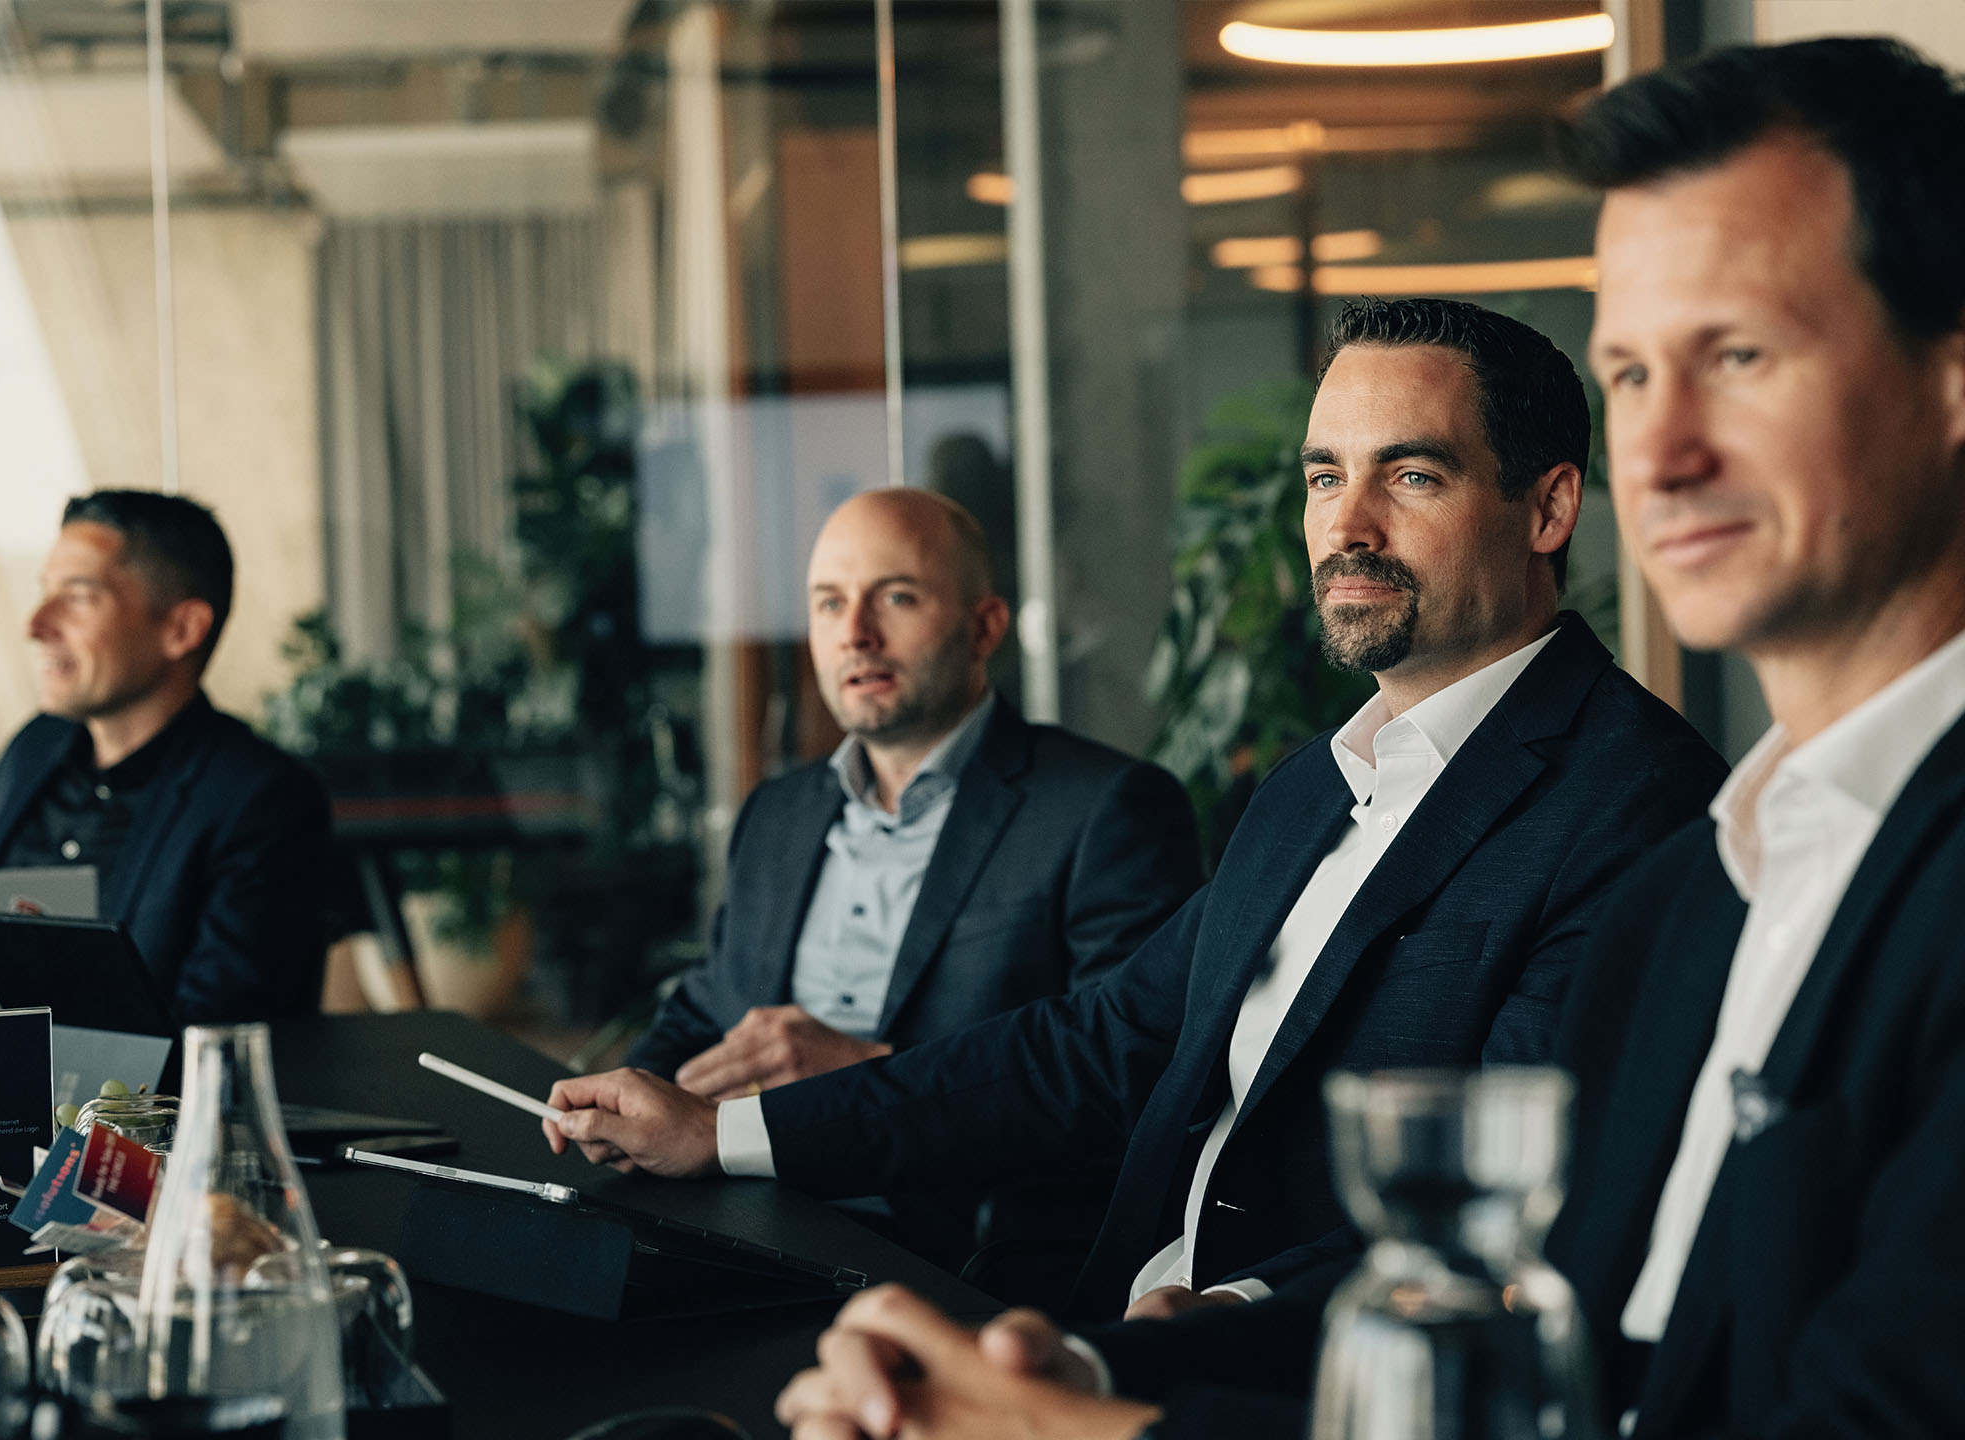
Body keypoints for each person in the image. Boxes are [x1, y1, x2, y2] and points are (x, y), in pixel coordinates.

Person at [775, 36, 1965, 1440]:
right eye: (1636, 375)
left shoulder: (1664, 827)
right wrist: (1075, 1377)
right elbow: (1560, 1350)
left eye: (1741, 354)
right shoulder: (1709, 892)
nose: (1667, 449)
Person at [547, 297, 1727, 1329]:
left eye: (1409, 474)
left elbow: (1520, 1194)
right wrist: (726, 1135)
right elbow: (1096, 1042)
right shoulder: (1317, 781)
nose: (1346, 523)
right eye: (1325, 475)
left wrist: (1222, 1316)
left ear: (1549, 507)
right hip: (1104, 1318)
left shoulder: (1638, 801)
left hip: (1293, 1372)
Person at [628, 487, 1201, 1099]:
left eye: (896, 597)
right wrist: (617, 1101)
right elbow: (709, 1006)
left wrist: (872, 1074)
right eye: (829, 604)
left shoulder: (1108, 810)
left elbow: (1123, 1072)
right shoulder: (774, 814)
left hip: (961, 1192)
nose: (855, 634)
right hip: (743, 1189)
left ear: (984, 628)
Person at [0, 490, 333, 1025]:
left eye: (77, 598)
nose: (36, 625)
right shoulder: (32, 751)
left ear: (181, 630)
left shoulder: (263, 801)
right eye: (44, 593)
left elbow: (220, 1035)